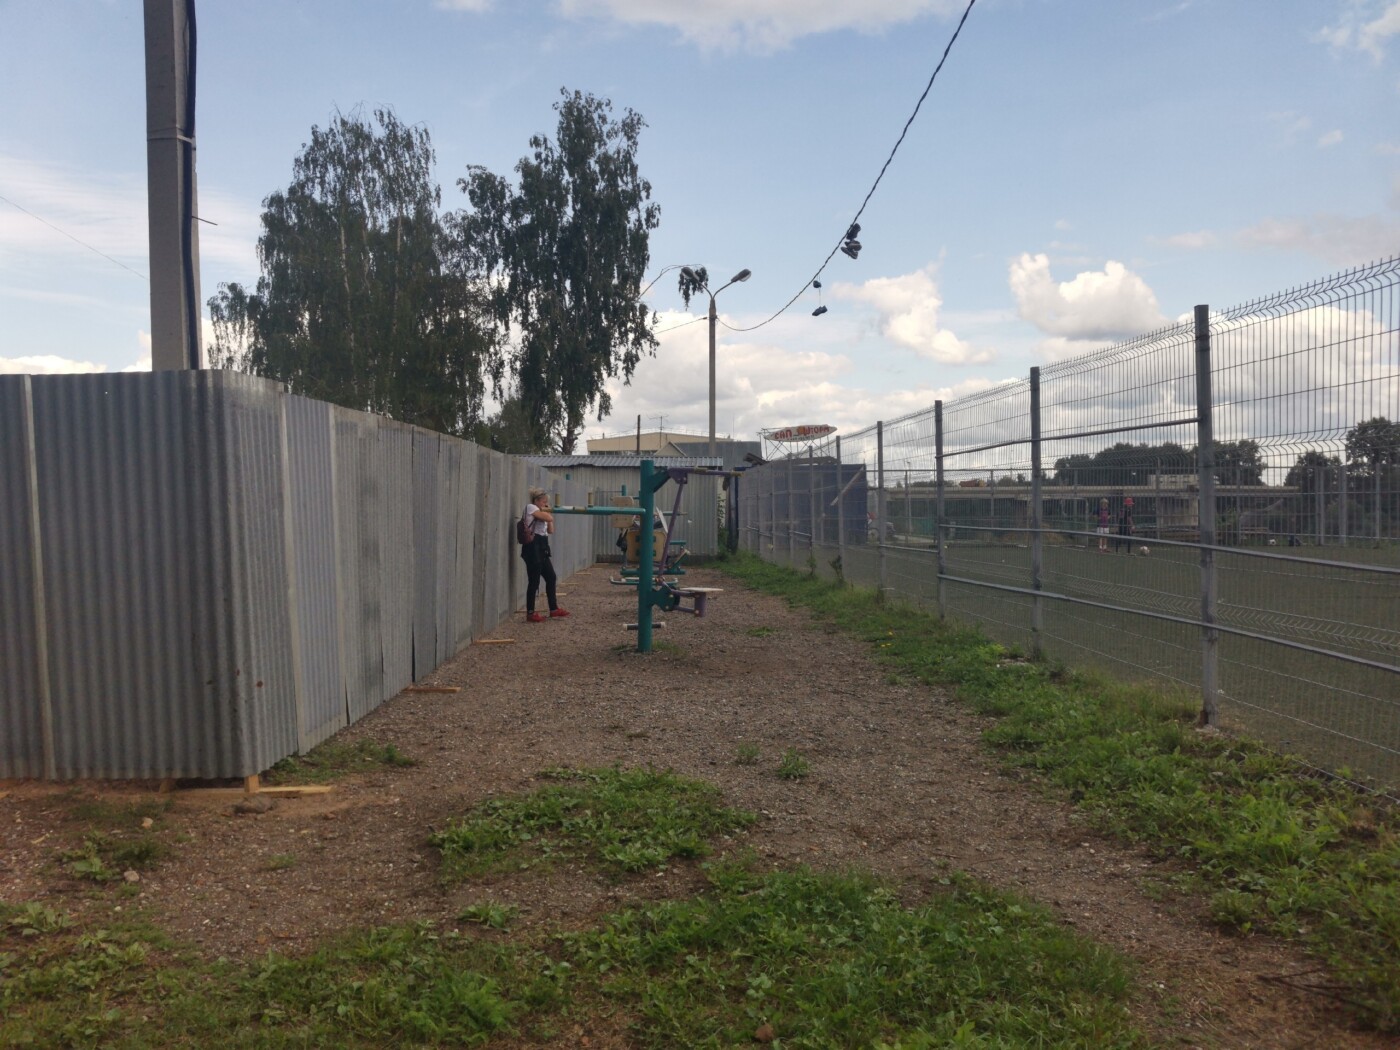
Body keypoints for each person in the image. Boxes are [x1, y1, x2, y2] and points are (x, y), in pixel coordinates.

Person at [521, 487, 569, 623]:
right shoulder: (531, 508)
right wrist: (548, 513)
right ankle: (530, 612)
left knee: (551, 577)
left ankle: (553, 608)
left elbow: (551, 529)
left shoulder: (541, 512)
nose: (546, 504)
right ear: (536, 501)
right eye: (543, 502)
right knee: (534, 581)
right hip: (532, 548)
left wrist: (548, 516)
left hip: (542, 548)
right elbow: (549, 517)